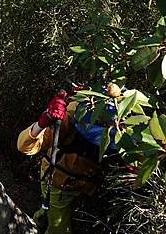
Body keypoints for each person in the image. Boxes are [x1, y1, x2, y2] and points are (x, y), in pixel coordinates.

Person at [17, 89, 116, 234]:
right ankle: (41, 221)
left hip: (75, 185)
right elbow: (24, 146)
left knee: (50, 208)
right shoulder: (72, 117)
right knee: (59, 227)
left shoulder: (122, 133)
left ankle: (39, 220)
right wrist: (43, 122)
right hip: (57, 183)